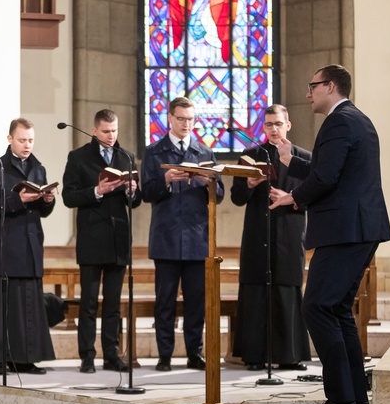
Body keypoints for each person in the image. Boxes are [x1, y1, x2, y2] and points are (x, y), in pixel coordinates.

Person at [271, 65, 390, 404]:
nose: (308, 93)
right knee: (336, 310)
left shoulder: (340, 122)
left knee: (317, 307)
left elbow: (326, 177)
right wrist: (295, 161)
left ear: (331, 86)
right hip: (356, 228)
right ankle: (355, 400)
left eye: (313, 86)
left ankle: (341, 400)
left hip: (346, 230)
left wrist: (291, 197)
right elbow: (332, 171)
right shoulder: (356, 119)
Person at [141, 97, 224, 372]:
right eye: (181, 119)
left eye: (190, 119)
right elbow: (146, 193)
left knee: (196, 302)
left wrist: (206, 182)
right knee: (165, 300)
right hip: (166, 237)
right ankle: (164, 354)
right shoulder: (154, 152)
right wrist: (164, 180)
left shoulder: (204, 152)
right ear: (170, 119)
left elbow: (220, 195)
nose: (186, 124)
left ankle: (194, 353)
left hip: (197, 237)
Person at [230, 104, 312, 371]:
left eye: (278, 124)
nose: (274, 129)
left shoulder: (303, 157)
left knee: (286, 292)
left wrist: (291, 198)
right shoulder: (250, 156)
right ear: (263, 128)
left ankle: (290, 356)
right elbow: (236, 197)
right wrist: (250, 185)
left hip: (289, 234)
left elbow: (317, 196)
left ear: (288, 125)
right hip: (257, 234)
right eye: (269, 125)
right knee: (256, 292)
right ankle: (254, 356)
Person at [61, 109, 141, 373]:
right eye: (106, 131)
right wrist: (97, 191)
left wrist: (132, 191)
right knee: (89, 302)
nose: (111, 136)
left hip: (118, 239)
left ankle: (111, 355)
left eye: (115, 130)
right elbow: (69, 197)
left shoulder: (126, 157)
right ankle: (87, 356)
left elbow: (136, 202)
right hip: (92, 239)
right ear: (95, 131)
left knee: (113, 304)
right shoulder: (79, 157)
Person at [0, 118, 56, 375]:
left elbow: (44, 212)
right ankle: (0, 359)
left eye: (31, 140)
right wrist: (17, 199)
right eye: (22, 140)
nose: (27, 145)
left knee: (29, 305)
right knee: (4, 307)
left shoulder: (38, 169)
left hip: (31, 243)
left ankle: (26, 358)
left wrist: (47, 199)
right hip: (5, 246)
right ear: (10, 138)